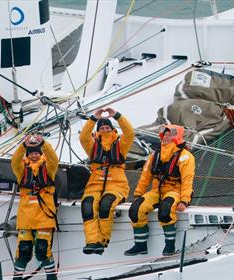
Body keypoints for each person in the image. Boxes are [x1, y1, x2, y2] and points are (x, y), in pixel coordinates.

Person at [125, 124, 195, 256]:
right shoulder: (155, 154)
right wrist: (138, 194)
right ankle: (140, 245)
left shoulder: (185, 156)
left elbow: (187, 180)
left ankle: (170, 245)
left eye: (170, 135)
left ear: (177, 137)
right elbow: (145, 176)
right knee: (136, 209)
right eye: (165, 134)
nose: (167, 137)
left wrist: (184, 200)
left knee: (166, 210)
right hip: (157, 190)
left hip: (175, 190)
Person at [79, 107, 135, 254]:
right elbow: (83, 137)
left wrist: (116, 115)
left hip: (117, 184)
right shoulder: (92, 144)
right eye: (101, 127)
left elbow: (130, 132)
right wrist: (93, 119)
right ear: (98, 130)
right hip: (95, 182)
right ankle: (92, 241)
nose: (104, 129)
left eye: (107, 127)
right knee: (87, 205)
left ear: (112, 129)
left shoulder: (121, 144)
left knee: (106, 204)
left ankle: (102, 241)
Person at [10, 132, 60, 280]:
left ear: (40, 154)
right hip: (26, 218)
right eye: (31, 153)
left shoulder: (49, 168)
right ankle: (17, 279)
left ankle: (52, 278)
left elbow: (53, 158)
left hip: (44, 216)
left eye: (36, 153)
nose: (34, 156)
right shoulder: (21, 170)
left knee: (42, 249)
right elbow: (15, 161)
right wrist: (24, 145)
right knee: (24, 250)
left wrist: (43, 143)